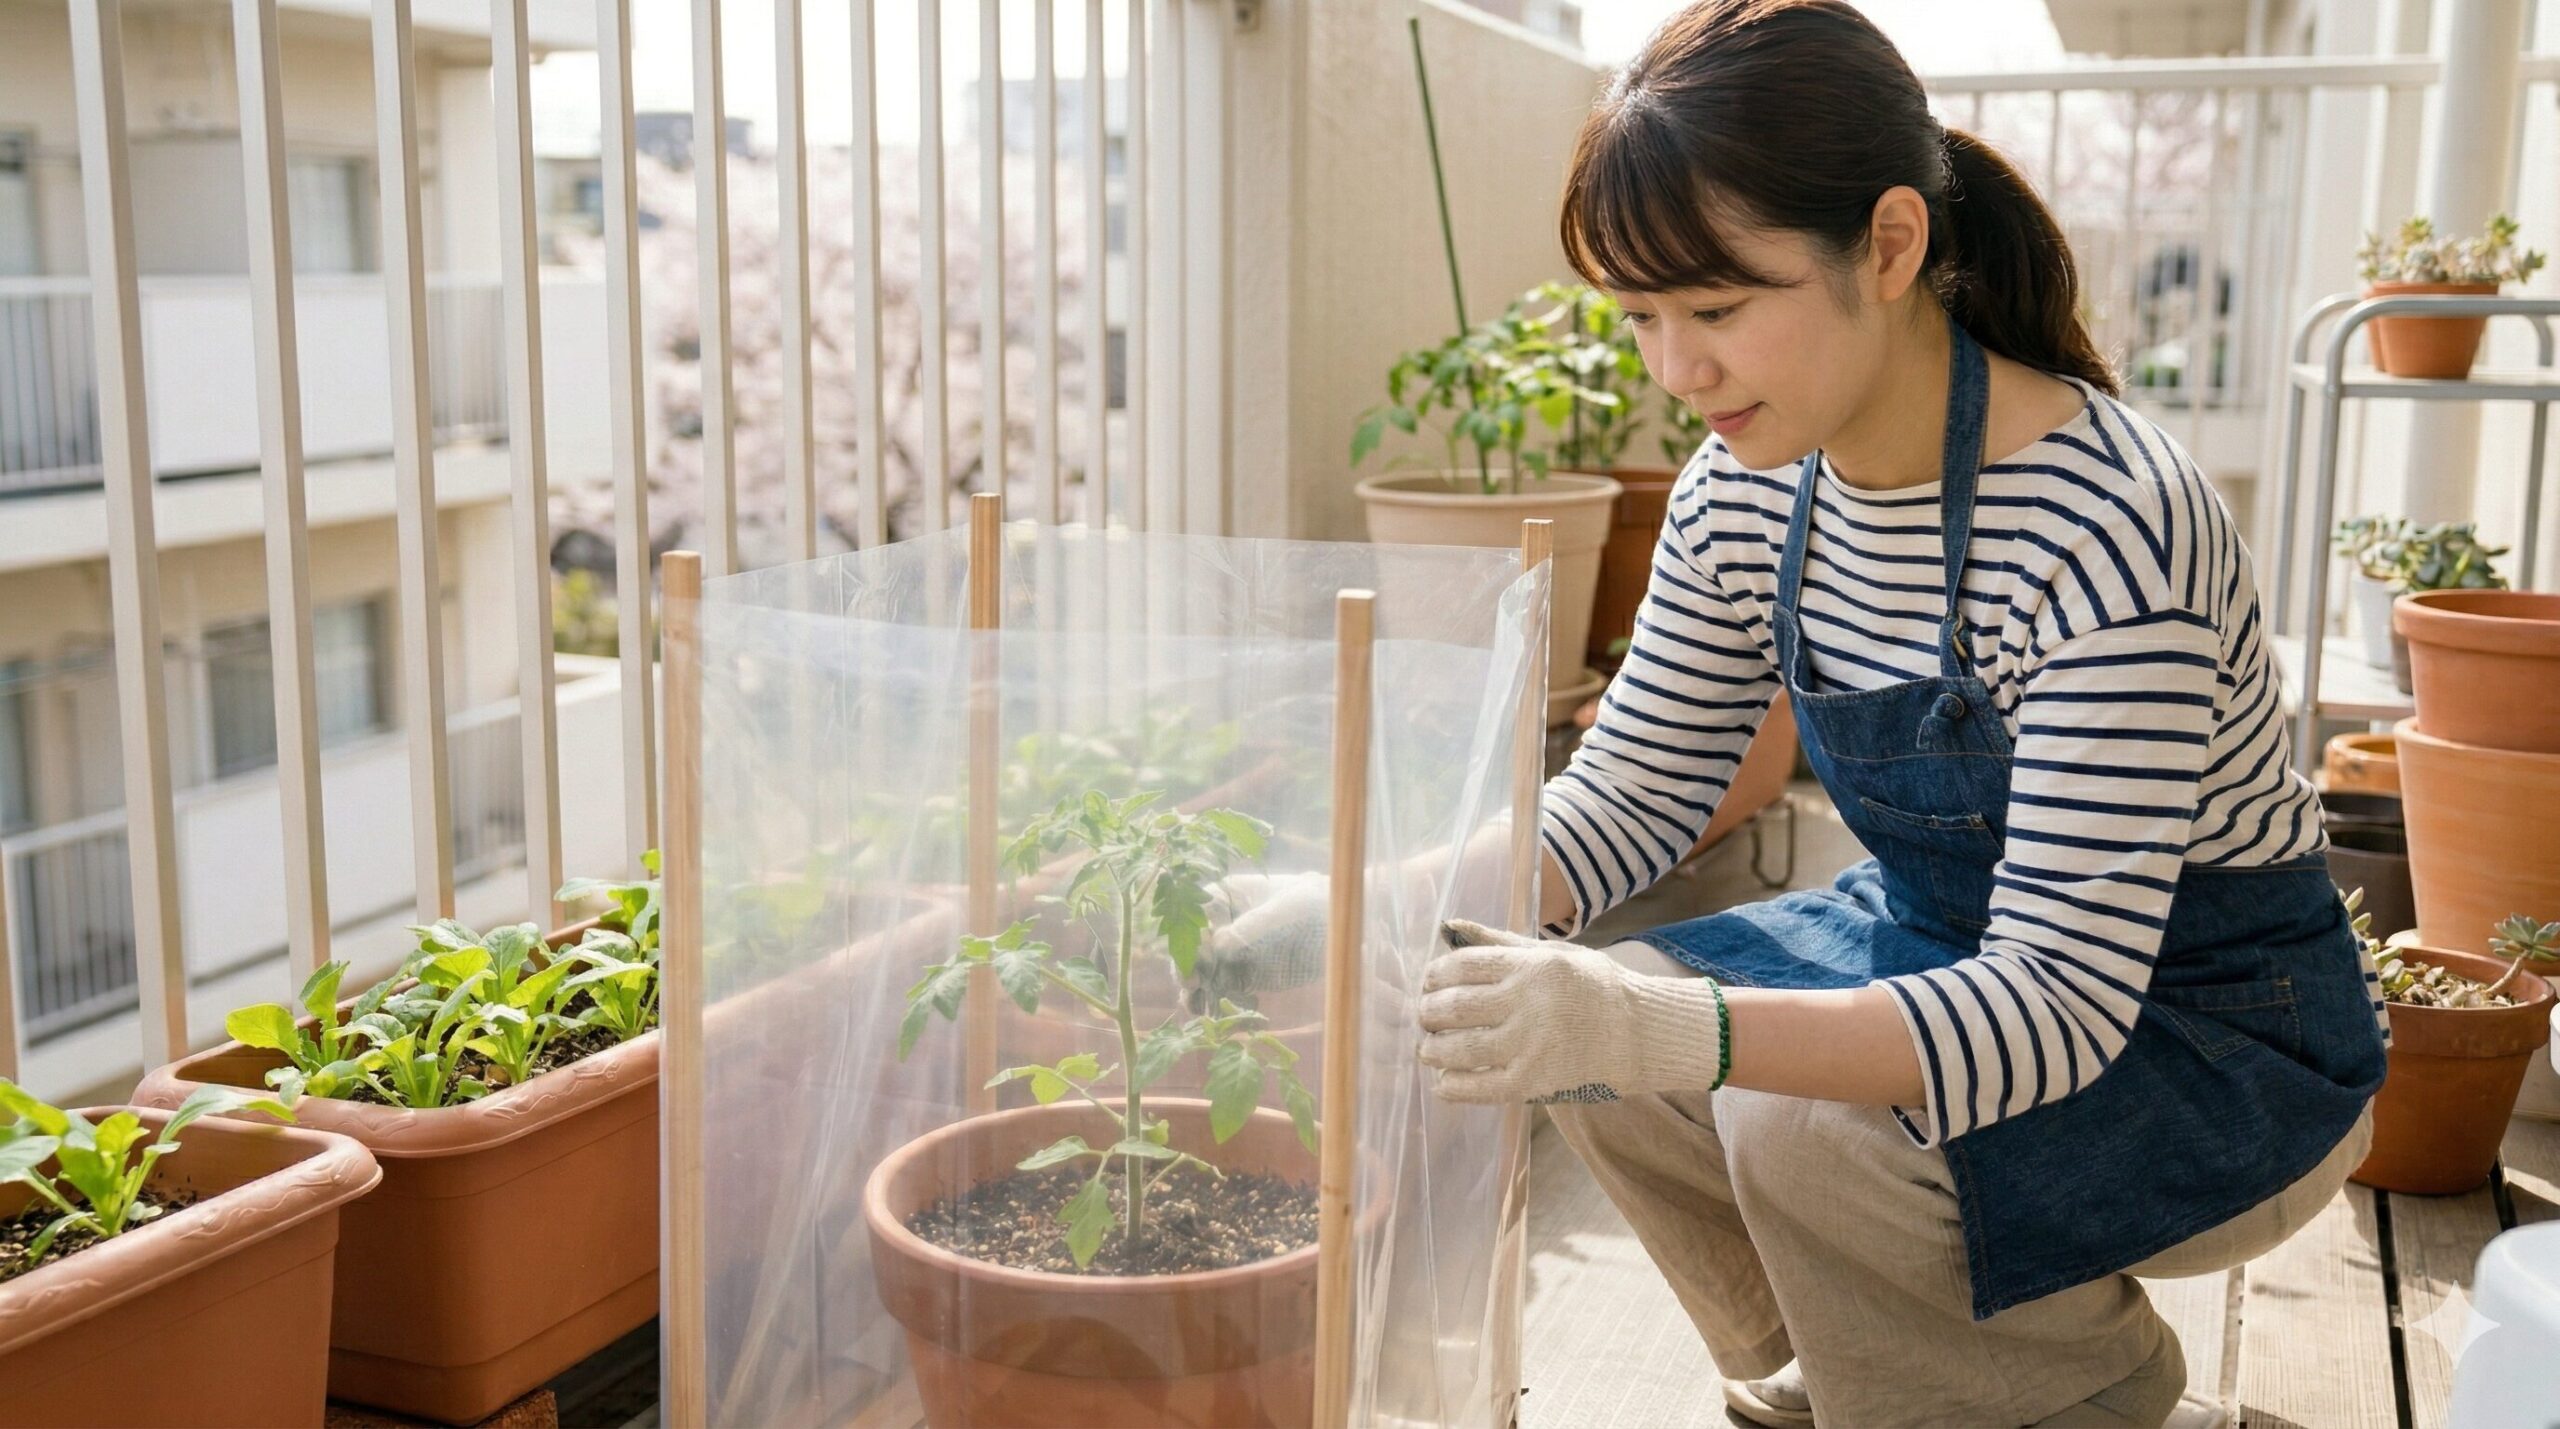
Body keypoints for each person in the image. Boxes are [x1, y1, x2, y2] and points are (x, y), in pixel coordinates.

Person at [1210, 3, 2390, 1424]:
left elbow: (2061, 1005)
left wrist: (1665, 1031)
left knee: (1768, 1099)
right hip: (1954, 955)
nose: (1675, 370)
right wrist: (1358, 906)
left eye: (1717, 309)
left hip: (2216, 1039)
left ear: (1890, 247)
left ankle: (2083, 1399)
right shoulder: (1746, 489)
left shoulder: (2107, 522)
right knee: (1609, 1028)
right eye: (1640, 316)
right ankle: (1869, 1367)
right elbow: (1629, 798)